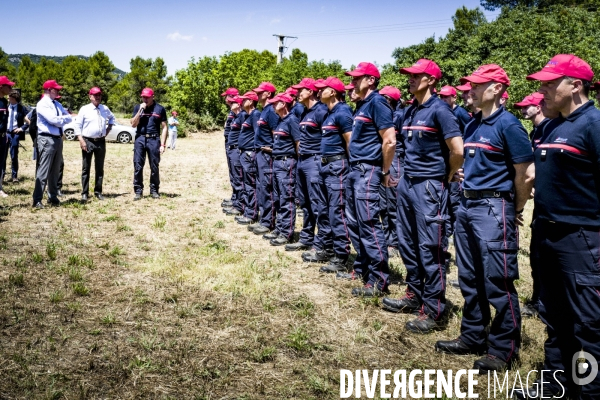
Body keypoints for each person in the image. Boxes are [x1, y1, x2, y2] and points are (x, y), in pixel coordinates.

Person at [435, 64, 534, 373]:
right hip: (467, 206)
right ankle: (473, 335)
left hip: (493, 208)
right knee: (469, 277)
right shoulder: (474, 123)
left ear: (496, 89)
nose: (471, 90)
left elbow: (524, 174)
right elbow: (472, 158)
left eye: (477, 86)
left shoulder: (509, 125)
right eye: (470, 86)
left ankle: (503, 349)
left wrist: (514, 209)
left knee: (497, 281)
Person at [514, 54, 600, 399]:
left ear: (575, 85)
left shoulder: (593, 125)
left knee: (587, 324)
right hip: (546, 233)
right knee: (554, 316)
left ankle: (588, 391)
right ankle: (555, 385)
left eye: (550, 83)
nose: (542, 89)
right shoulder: (549, 126)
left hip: (582, 239)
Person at [382, 59, 463, 333]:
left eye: (416, 76)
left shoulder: (440, 110)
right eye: (410, 76)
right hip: (408, 183)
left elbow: (458, 150)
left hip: (429, 185)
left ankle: (434, 309)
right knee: (408, 243)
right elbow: (402, 146)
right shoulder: (410, 111)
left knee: (431, 248)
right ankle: (413, 295)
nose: (411, 79)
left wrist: (448, 175)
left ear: (431, 80)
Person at [344, 62, 396, 297]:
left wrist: (384, 171)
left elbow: (389, 140)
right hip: (356, 169)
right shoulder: (362, 105)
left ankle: (379, 280)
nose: (353, 82)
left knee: (369, 223)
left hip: (369, 170)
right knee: (354, 222)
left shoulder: (377, 103)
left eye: (358, 78)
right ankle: (365, 270)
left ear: (371, 80)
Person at [513, 92, 553, 320]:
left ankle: (544, 302)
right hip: (540, 201)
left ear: (538, 107)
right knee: (537, 254)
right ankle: (539, 299)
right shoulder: (535, 131)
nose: (522, 110)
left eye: (526, 106)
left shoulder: (550, 127)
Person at [308, 77, 353, 273]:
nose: (318, 92)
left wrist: (349, 168)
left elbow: (350, 142)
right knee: (324, 209)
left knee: (337, 211)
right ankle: (326, 248)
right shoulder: (328, 113)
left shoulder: (343, 112)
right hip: (325, 165)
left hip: (338, 165)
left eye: (323, 89)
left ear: (333, 92)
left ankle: (341, 254)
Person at [285, 78, 329, 253]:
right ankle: (306, 238)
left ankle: (322, 243)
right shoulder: (303, 112)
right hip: (302, 160)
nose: (297, 93)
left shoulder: (321, 111)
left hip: (315, 160)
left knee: (317, 203)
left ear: (310, 91)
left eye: (301, 90)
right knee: (305, 203)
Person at [264, 93, 301, 246]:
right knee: (279, 197)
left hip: (287, 163)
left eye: (276, 103)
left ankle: (287, 233)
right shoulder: (280, 120)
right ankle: (280, 227)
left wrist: (297, 163)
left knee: (287, 198)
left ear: (284, 103)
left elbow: (298, 143)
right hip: (278, 162)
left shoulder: (292, 120)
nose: (273, 105)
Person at [32, 80, 72, 208]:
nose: (58, 91)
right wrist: (63, 119)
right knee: (44, 170)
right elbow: (53, 120)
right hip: (47, 138)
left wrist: (63, 119)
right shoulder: (42, 104)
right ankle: (37, 199)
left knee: (55, 170)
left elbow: (68, 116)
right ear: (49, 90)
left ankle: (52, 196)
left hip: (57, 139)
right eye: (56, 89)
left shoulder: (57, 104)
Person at [248, 82, 280, 235]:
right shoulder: (264, 111)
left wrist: (273, 149)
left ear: (268, 94)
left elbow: (276, 134)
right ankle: (264, 219)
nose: (258, 95)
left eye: (261, 92)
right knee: (262, 188)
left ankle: (269, 222)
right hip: (260, 153)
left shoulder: (271, 112)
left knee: (268, 189)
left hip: (267, 154)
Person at [74, 87, 115, 201]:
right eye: (95, 95)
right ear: (90, 96)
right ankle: (85, 193)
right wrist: (81, 140)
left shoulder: (104, 108)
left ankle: (98, 191)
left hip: (100, 142)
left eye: (99, 95)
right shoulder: (84, 109)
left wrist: (108, 129)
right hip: (88, 140)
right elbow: (77, 125)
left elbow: (112, 118)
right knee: (86, 168)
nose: (97, 97)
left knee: (99, 168)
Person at [378, 86, 404, 258]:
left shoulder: (400, 116)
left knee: (393, 204)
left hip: (396, 161)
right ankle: (387, 239)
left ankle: (395, 242)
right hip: (382, 160)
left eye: (384, 98)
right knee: (383, 206)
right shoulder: (381, 114)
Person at [130, 87, 168, 200]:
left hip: (154, 139)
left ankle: (154, 190)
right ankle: (138, 191)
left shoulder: (160, 109)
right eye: (143, 97)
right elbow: (133, 124)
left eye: (147, 97)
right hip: (140, 139)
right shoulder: (138, 107)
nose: (145, 99)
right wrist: (139, 111)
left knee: (154, 166)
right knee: (138, 165)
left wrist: (163, 144)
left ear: (153, 97)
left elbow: (165, 127)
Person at [235, 91, 262, 225]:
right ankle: (247, 210)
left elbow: (258, 134)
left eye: (244, 99)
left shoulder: (255, 114)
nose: (241, 102)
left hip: (249, 153)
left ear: (251, 101)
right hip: (244, 153)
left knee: (251, 184)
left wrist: (253, 153)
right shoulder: (247, 115)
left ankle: (252, 214)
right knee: (246, 184)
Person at [223, 95, 247, 216]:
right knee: (235, 177)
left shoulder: (242, 115)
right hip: (232, 149)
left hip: (237, 150)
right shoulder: (237, 116)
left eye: (233, 102)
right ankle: (236, 202)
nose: (230, 103)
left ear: (238, 104)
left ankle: (240, 205)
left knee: (239, 179)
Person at [221, 88, 239, 208]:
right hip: (229, 144)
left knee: (238, 175)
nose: (225, 99)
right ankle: (235, 197)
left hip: (235, 146)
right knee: (233, 174)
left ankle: (238, 201)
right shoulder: (232, 110)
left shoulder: (238, 110)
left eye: (226, 96)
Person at [6, 90, 29, 184]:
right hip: (6, 133)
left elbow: (29, 121)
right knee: (3, 156)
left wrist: (21, 128)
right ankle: (2, 176)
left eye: (10, 97)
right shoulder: (5, 107)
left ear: (14, 98)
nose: (8, 99)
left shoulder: (22, 108)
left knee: (14, 155)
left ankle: (14, 176)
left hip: (15, 134)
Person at [0, 77, 16, 198]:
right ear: (1, 87)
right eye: (8, 86)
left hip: (3, 137)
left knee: (1, 163)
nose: (11, 88)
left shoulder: (5, 102)